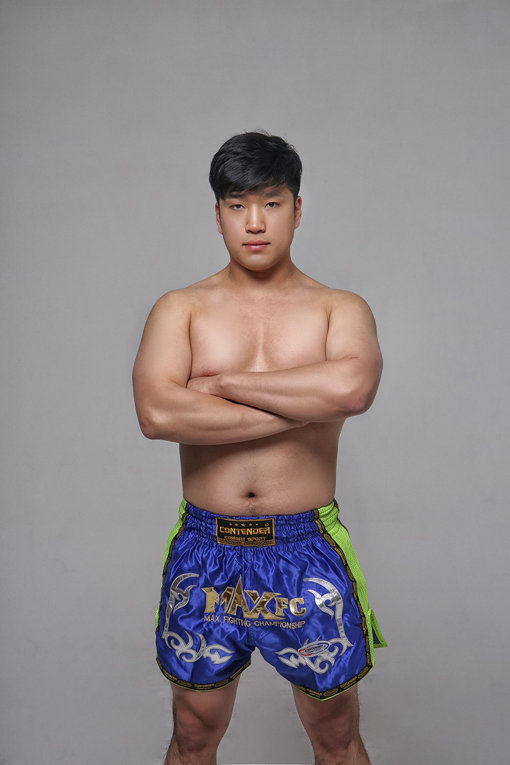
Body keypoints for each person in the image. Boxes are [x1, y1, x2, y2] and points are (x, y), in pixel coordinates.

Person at [132, 131, 387, 765]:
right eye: (237, 205)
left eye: (271, 203)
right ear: (217, 214)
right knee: (193, 736)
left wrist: (218, 386)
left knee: (336, 739)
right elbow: (157, 413)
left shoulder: (338, 309)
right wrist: (302, 403)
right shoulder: (181, 309)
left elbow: (352, 390)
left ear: (297, 209)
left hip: (306, 548)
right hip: (206, 549)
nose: (254, 222)